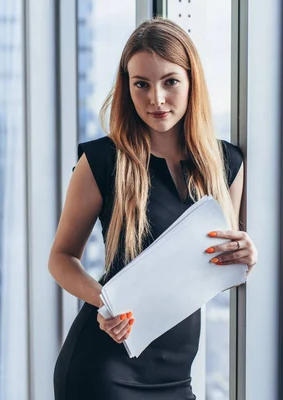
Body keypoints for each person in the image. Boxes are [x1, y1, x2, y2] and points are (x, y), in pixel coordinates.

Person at [49, 17, 258, 400]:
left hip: (178, 376)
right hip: (104, 371)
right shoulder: (103, 161)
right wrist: (105, 302)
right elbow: (61, 258)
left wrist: (246, 254)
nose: (155, 99)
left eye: (170, 82)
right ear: (126, 88)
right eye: (141, 84)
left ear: (191, 81)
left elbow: (217, 267)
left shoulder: (225, 164)